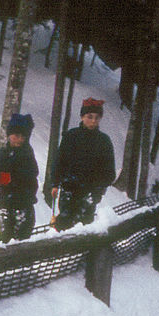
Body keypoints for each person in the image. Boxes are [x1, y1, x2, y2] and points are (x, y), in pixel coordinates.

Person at [45, 97, 116, 231]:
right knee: (64, 225)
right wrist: (54, 184)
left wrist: (98, 189)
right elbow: (59, 161)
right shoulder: (71, 136)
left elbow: (109, 172)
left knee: (84, 228)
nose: (93, 121)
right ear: (82, 117)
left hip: (90, 192)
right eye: (90, 117)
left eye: (97, 117)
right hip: (69, 190)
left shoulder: (104, 141)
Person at [0, 113, 39, 242]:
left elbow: (31, 174)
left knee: (23, 236)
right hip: (6, 202)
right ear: (9, 136)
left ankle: (21, 260)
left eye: (22, 137)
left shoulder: (27, 154)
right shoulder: (2, 153)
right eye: (16, 136)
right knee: (5, 235)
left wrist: (9, 178)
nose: (19, 139)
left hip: (24, 202)